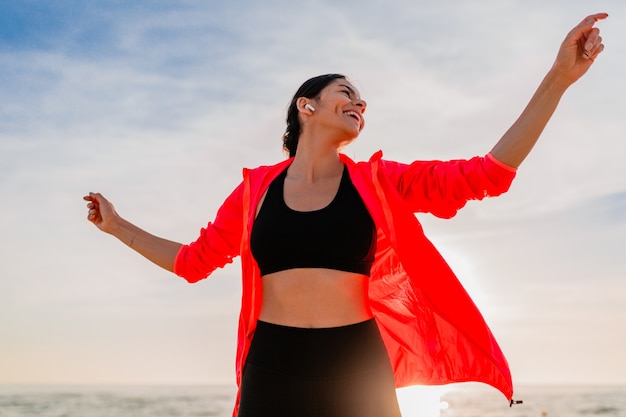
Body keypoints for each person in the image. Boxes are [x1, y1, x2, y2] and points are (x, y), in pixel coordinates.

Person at [84, 14, 607, 417]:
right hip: (271, 363)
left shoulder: (381, 182)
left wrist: (559, 78)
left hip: (355, 364)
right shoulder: (253, 192)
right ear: (305, 107)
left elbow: (486, 174)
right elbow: (193, 262)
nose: (360, 102)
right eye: (346, 93)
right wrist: (116, 226)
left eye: (363, 99)